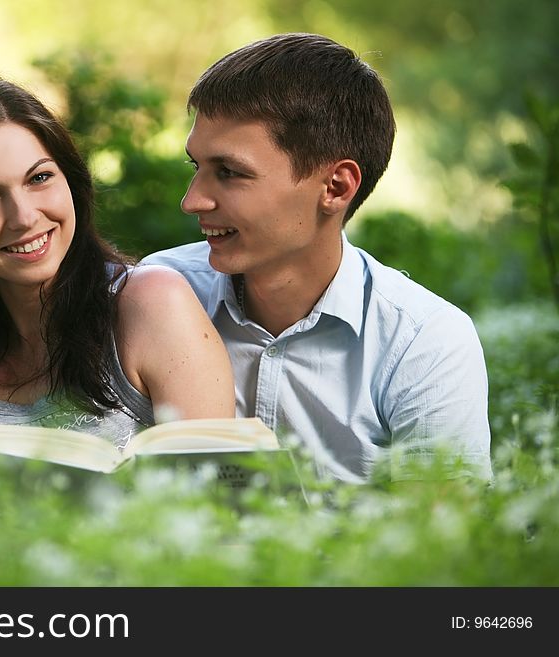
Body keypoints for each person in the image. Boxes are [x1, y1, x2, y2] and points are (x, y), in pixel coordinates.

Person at [141, 33, 492, 483]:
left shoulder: (424, 343)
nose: (192, 201)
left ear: (336, 188)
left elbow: (445, 537)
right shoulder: (158, 293)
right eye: (197, 168)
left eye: (228, 173)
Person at [0, 76, 234, 460]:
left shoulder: (152, 303)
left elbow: (215, 499)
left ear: (71, 182)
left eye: (39, 178)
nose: (23, 217)